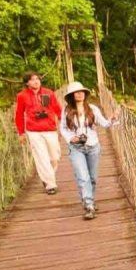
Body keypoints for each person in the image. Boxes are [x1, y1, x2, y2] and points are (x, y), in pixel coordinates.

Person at [59, 82, 115, 220]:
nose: (80, 94)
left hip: (93, 146)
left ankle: (90, 200)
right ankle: (89, 205)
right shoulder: (66, 110)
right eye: (76, 92)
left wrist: (112, 120)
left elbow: (104, 123)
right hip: (76, 148)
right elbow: (63, 128)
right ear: (72, 95)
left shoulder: (93, 109)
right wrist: (71, 138)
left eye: (82, 91)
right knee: (83, 177)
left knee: (93, 178)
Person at [14, 72, 63, 195]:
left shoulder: (49, 93)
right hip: (33, 131)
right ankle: (50, 184)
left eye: (37, 79)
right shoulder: (22, 96)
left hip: (50, 128)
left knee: (55, 157)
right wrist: (21, 133)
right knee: (42, 157)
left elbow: (57, 109)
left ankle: (47, 177)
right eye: (32, 80)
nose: (36, 81)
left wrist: (66, 123)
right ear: (27, 83)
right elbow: (19, 114)